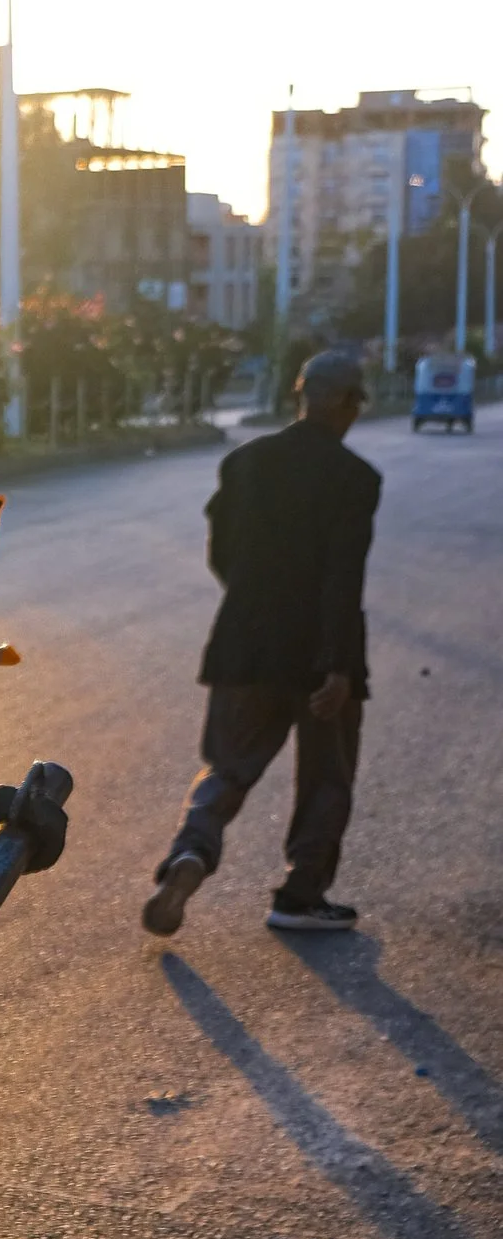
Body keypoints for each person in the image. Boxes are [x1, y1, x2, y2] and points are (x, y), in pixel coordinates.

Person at [143, 346, 381, 941]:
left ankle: (191, 852)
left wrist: (254, 601)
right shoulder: (355, 478)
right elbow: (342, 577)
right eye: (354, 405)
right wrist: (337, 665)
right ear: (345, 404)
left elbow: (221, 553)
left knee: (226, 768)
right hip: (320, 657)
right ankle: (302, 897)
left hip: (244, 645)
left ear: (301, 395)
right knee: (326, 778)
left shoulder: (245, 462)